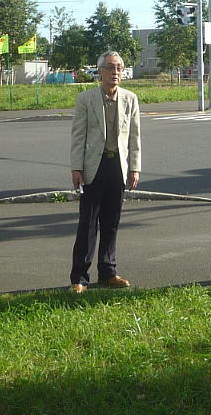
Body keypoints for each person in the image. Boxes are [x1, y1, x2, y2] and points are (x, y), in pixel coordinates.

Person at [69, 50, 141, 293]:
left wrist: (135, 167)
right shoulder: (86, 99)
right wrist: (76, 167)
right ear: (100, 71)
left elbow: (135, 137)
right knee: (87, 224)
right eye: (110, 67)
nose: (115, 72)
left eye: (119, 67)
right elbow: (78, 136)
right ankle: (79, 277)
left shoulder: (130, 98)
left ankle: (108, 272)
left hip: (117, 166)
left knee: (111, 223)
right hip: (93, 167)